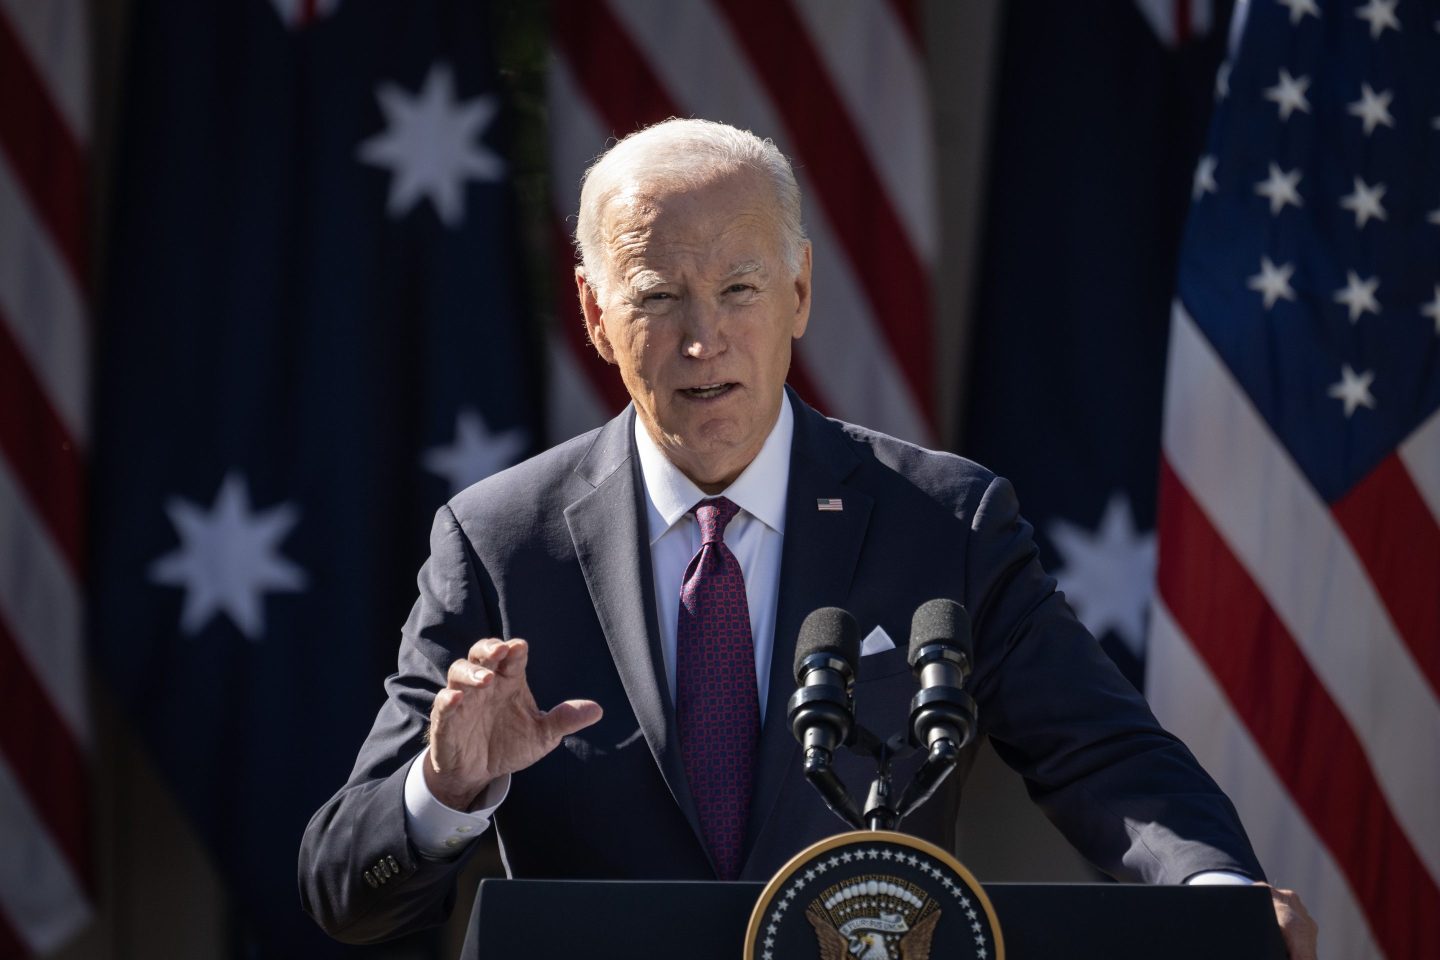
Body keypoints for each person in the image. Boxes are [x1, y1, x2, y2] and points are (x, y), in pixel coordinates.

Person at [299, 119, 1316, 957]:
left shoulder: (945, 521)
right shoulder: (501, 543)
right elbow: (344, 889)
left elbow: (1107, 758)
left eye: (740, 289)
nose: (705, 339)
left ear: (800, 293)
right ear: (596, 314)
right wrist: (447, 790)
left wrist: (1219, 899)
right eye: (658, 297)